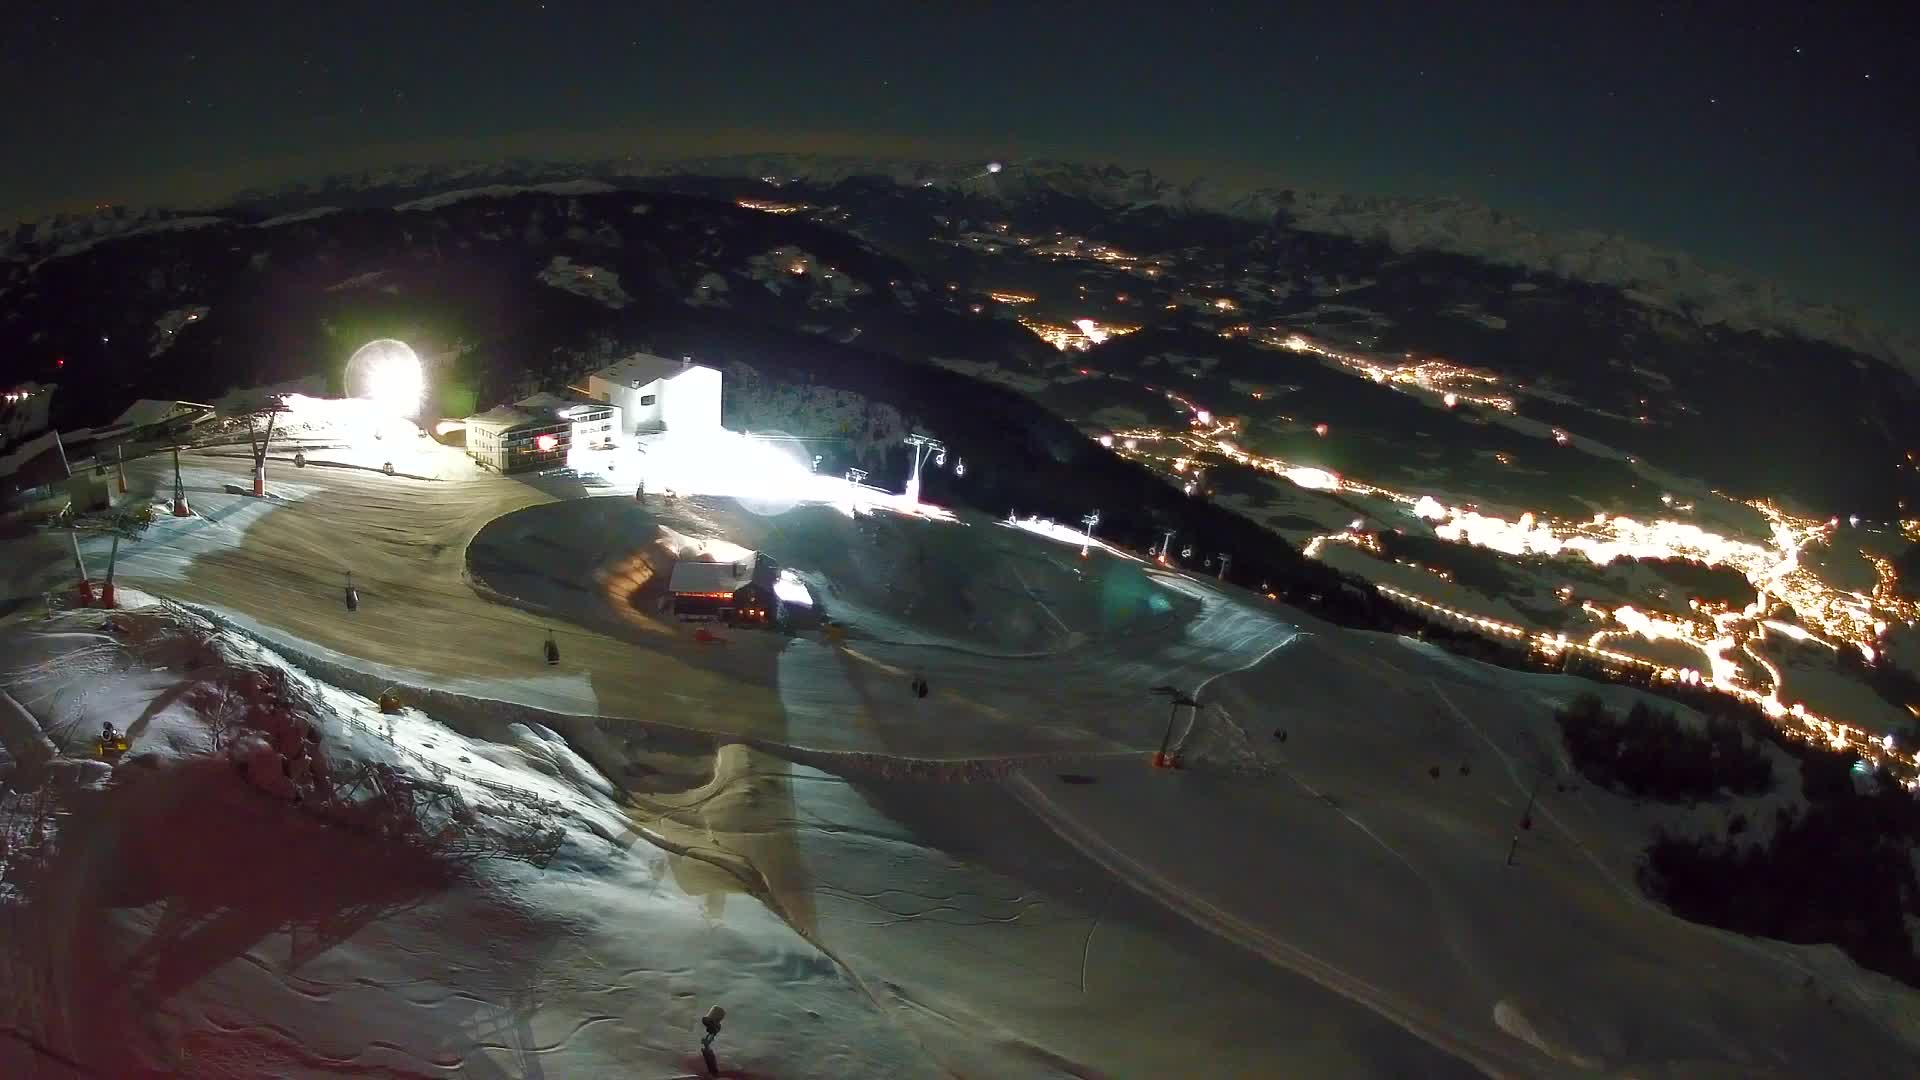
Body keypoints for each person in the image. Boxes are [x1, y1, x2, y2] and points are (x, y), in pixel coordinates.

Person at [700, 1005, 725, 1075]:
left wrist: (707, 1042)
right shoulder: (711, 1030)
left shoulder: (714, 1031)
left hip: (709, 1049)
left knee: (709, 1056)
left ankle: (713, 1072)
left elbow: (710, 1038)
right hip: (708, 1048)